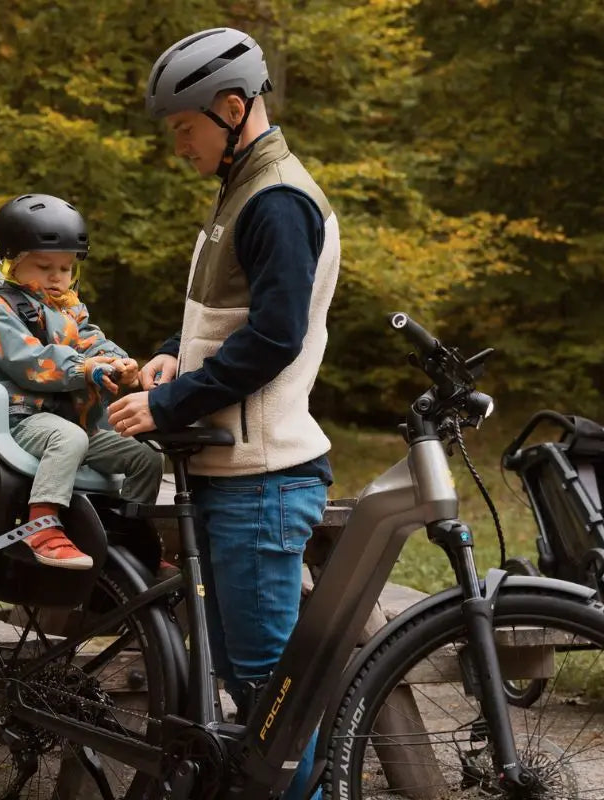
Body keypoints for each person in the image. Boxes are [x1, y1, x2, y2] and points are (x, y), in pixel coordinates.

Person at [108, 27, 341, 800]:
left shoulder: (275, 199)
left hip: (261, 479)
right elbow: (230, 313)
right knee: (253, 680)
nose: (178, 145)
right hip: (233, 472)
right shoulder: (242, 190)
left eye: (184, 128)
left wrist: (169, 401)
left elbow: (277, 335)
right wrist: (177, 350)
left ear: (233, 107)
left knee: (274, 694)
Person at [0, 193, 164, 568]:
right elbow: (28, 361)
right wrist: (84, 368)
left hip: (76, 425)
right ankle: (42, 527)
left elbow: (94, 340)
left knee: (146, 457)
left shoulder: (68, 309)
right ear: (12, 264)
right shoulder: (0, 308)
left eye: (64, 268)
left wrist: (119, 361)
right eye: (44, 266)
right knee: (69, 437)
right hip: (25, 422)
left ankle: (123, 540)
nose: (56, 277)